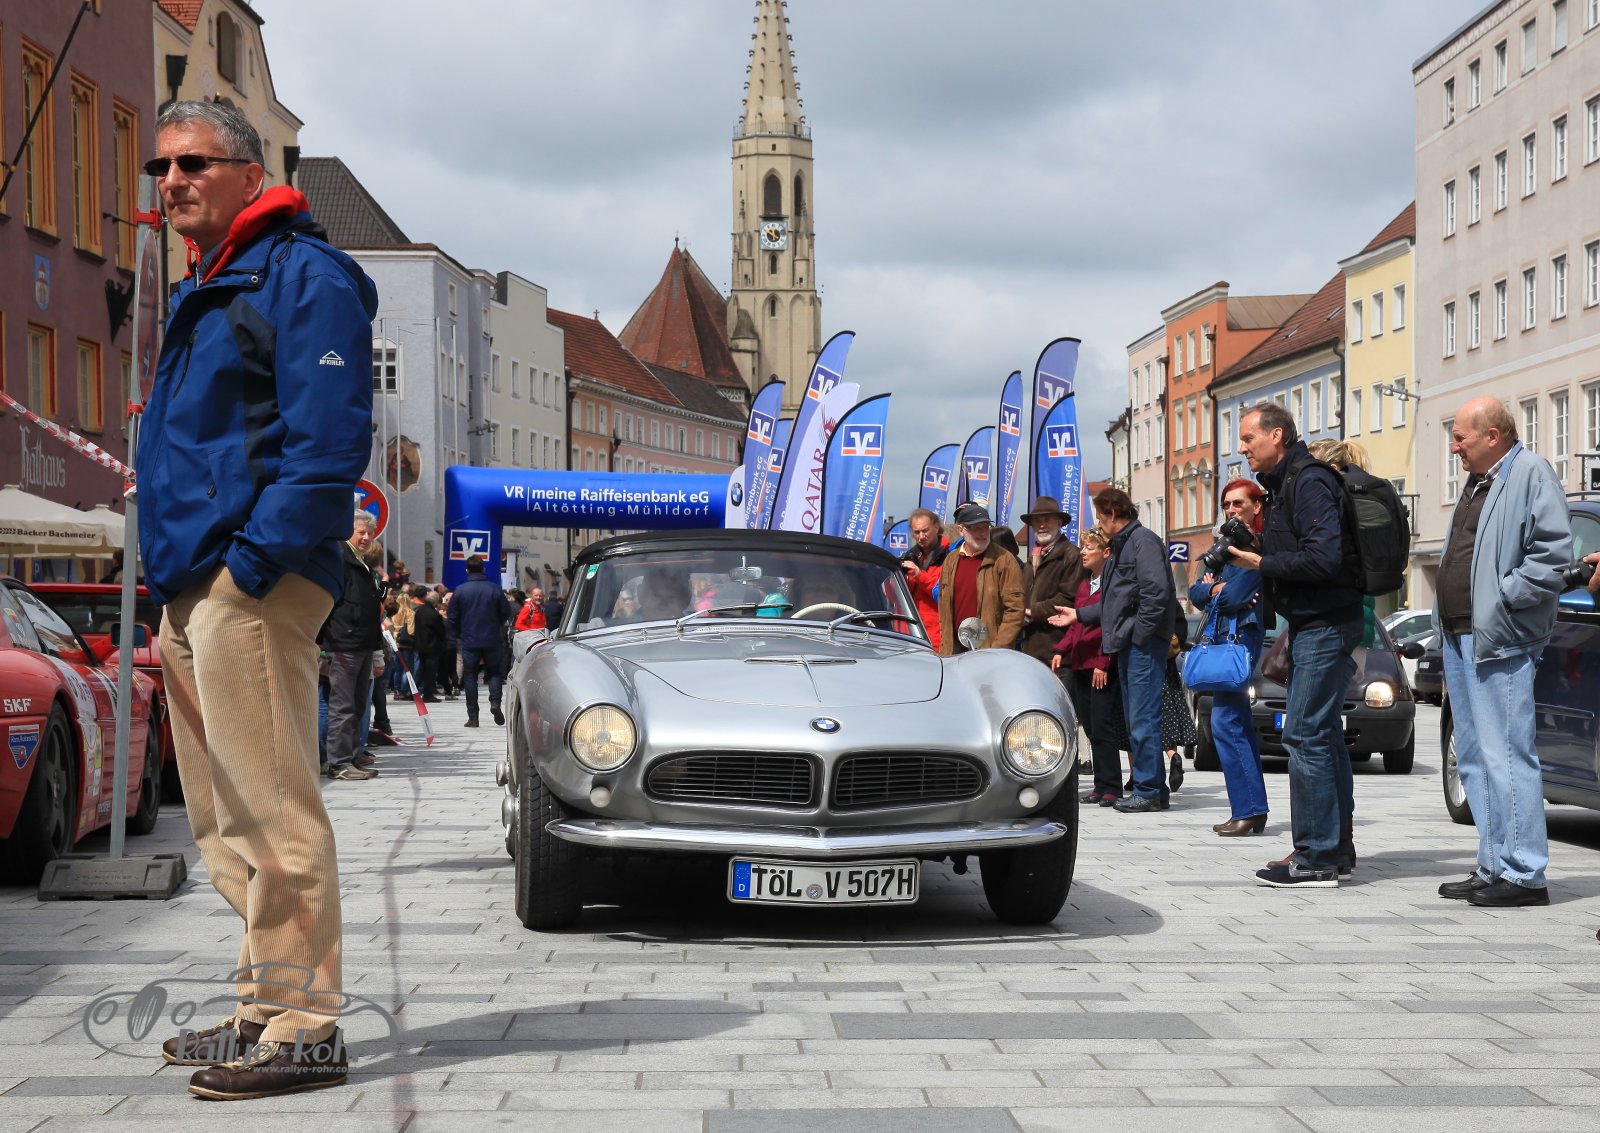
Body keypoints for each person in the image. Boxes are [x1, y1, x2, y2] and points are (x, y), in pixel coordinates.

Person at [136, 100, 375, 1098]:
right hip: (195, 579)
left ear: (249, 171)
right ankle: (264, 1002)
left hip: (250, 579)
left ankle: (307, 1024)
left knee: (272, 804)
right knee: (224, 815)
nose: (172, 181)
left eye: (193, 163)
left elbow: (329, 442)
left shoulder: (301, 275)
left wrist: (251, 565)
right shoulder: (213, 280)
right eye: (160, 167)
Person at [1434, 397, 1571, 907]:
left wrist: (1504, 596)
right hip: (1461, 635)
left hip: (1501, 637)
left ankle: (1525, 874)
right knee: (1474, 756)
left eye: (1460, 437)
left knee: (1508, 754)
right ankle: (1493, 863)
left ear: (1492, 435)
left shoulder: (1531, 472)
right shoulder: (1478, 481)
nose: (1454, 447)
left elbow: (1552, 555)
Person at [1231, 402, 1361, 888]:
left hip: (1327, 622)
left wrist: (1260, 564)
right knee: (1322, 734)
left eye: (1249, 438)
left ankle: (1317, 854)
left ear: (1277, 435)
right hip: (1316, 621)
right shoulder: (1286, 483)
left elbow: (1323, 558)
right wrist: (1260, 550)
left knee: (1304, 733)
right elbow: (1305, 551)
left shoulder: (1309, 481)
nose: (1242, 448)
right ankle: (1333, 847)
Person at [1049, 488, 1177, 813]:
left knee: (1142, 719)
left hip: (1142, 645)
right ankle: (1155, 789)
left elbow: (1156, 594)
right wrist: (1078, 614)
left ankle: (1147, 790)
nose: (1098, 523)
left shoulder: (1142, 542)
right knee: (1138, 720)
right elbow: (1113, 602)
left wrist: (1139, 635)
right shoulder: (1123, 545)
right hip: (1130, 643)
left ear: (1113, 514)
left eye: (1100, 516)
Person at [1188, 479, 1269, 835]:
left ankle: (1248, 809)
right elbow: (1196, 591)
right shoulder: (1223, 548)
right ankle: (1252, 808)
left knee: (1225, 722)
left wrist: (1215, 589)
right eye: (1226, 504)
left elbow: (1235, 597)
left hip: (1241, 638)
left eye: (1238, 503)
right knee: (1236, 723)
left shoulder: (1257, 549)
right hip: (1223, 638)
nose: (1231, 510)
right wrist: (1214, 590)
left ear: (1256, 506)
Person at [1049, 527, 1125, 805]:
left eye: (1089, 548)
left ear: (1105, 553)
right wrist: (1061, 649)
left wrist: (1104, 662)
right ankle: (1099, 785)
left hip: (1100, 666)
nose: (1082, 552)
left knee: (1103, 726)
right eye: (1082, 547)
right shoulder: (1084, 585)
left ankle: (1112, 786)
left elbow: (1111, 627)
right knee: (1091, 727)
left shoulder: (1111, 586)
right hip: (1081, 663)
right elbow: (1077, 625)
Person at [319, 512, 383, 781]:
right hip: (344, 641)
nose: (366, 537)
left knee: (356, 704)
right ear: (349, 531)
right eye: (361, 532)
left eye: (370, 533)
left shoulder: (361, 562)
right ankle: (339, 762)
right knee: (342, 706)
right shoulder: (340, 557)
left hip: (362, 641)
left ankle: (352, 756)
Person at [936, 502, 1025, 654]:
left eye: (985, 527)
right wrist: (945, 646)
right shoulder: (951, 560)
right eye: (976, 528)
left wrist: (998, 649)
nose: (983, 533)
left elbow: (1015, 610)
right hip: (954, 651)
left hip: (989, 652)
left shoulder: (1004, 560)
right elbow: (943, 606)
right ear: (961, 530)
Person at [1019, 496, 1086, 666]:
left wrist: (1032, 612)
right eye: (1037, 520)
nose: (1042, 525)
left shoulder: (1072, 555)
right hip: (1030, 649)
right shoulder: (1033, 558)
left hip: (1058, 652)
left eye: (1047, 519)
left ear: (1059, 522)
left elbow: (1069, 598)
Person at [448, 555, 512, 727]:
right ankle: (495, 702)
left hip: (469, 639)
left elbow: (452, 617)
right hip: (492, 638)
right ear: (483, 569)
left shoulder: (460, 590)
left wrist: (456, 634)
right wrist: (496, 623)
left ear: (467, 570)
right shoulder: (495, 589)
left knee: (470, 676)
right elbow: (506, 611)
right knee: (494, 672)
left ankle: (473, 717)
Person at [900, 508, 949, 650]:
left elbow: (944, 594)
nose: (921, 536)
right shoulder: (910, 556)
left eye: (925, 531)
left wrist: (919, 575)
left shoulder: (950, 556)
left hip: (935, 637)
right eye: (916, 532)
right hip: (909, 634)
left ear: (936, 527)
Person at [409, 585, 445, 700]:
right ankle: (428, 694)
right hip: (432, 646)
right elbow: (440, 631)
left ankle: (414, 691)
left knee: (421, 669)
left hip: (420, 645)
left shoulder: (419, 611)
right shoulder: (434, 614)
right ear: (435, 602)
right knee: (430, 671)